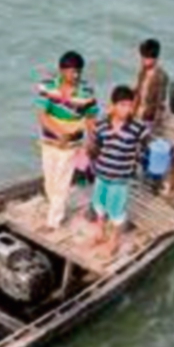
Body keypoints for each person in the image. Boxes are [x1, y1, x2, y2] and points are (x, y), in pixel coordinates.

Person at [35, 51, 100, 230]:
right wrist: (58, 132)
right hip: (49, 142)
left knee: (62, 182)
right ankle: (55, 208)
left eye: (79, 71)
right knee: (49, 181)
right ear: (62, 71)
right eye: (72, 71)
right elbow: (42, 115)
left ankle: (53, 221)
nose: (76, 75)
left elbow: (91, 118)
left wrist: (91, 140)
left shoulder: (86, 91)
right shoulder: (47, 87)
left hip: (72, 145)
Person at [89, 85, 150, 258]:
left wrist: (139, 160)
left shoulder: (138, 128)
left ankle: (114, 242)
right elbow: (97, 147)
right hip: (101, 174)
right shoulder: (101, 125)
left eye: (130, 106)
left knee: (116, 211)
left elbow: (147, 145)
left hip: (120, 178)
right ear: (113, 105)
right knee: (99, 205)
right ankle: (100, 233)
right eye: (122, 105)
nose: (127, 109)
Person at [133, 38, 169, 125]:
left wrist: (156, 121)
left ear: (155, 58)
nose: (143, 60)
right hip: (139, 110)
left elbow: (160, 101)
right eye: (142, 56)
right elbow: (137, 90)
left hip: (149, 116)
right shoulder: (142, 71)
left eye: (146, 57)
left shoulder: (161, 77)